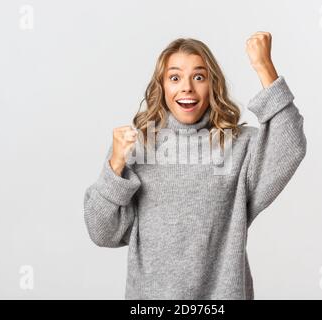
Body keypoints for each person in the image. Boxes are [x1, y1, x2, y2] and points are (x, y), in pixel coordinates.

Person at [83, 32, 307, 299]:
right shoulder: (137, 146)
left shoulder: (239, 146)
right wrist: (115, 164)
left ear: (212, 85)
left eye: (199, 77)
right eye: (175, 77)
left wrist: (264, 67)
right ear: (161, 86)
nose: (187, 87)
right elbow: (101, 233)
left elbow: (290, 144)